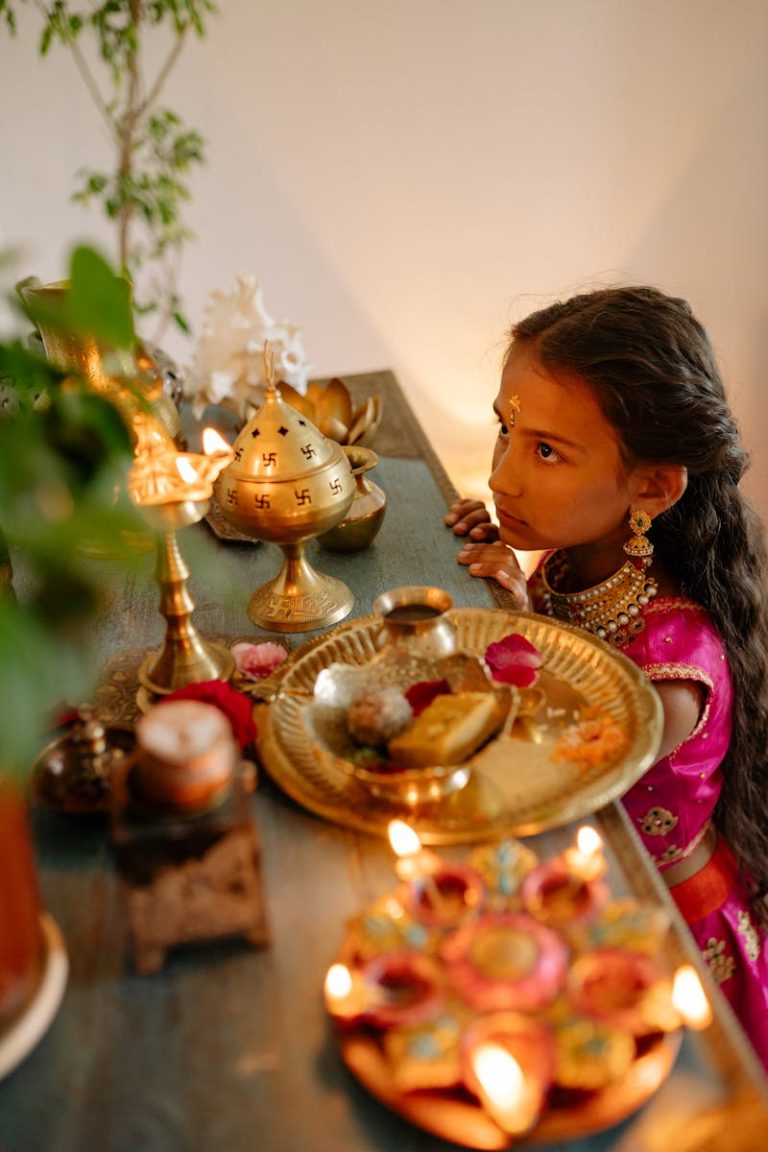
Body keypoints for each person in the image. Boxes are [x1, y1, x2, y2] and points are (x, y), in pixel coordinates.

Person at [446, 286, 768, 1071]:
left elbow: (545, 760)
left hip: (657, 927)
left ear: (653, 487)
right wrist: (512, 584)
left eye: (546, 451)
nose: (503, 478)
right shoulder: (578, 559)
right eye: (505, 431)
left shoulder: (671, 672)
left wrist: (518, 623)